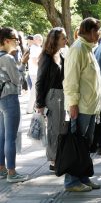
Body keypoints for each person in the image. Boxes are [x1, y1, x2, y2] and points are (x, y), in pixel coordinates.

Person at [63, 17, 101, 192]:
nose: (99, 34)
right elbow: (71, 80)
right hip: (81, 107)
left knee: (85, 145)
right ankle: (72, 181)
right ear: (92, 31)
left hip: (90, 106)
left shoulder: (88, 49)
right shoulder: (77, 49)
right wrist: (72, 104)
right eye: (98, 31)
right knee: (76, 144)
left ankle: (83, 177)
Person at [35, 27, 68, 171]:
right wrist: (40, 103)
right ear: (55, 40)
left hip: (62, 95)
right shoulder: (47, 57)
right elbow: (39, 81)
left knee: (62, 128)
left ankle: (59, 157)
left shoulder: (60, 54)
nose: (66, 40)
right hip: (53, 96)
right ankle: (54, 160)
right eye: (63, 38)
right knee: (54, 129)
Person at [0, 27, 29, 183]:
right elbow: (18, 80)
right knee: (10, 138)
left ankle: (2, 169)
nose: (18, 42)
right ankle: (12, 172)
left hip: (0, 98)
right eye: (15, 39)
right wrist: (23, 63)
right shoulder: (8, 58)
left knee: (2, 136)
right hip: (9, 98)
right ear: (6, 41)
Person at [26, 33, 43, 114]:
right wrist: (42, 68)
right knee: (34, 90)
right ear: (35, 40)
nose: (41, 40)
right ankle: (30, 108)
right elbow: (34, 60)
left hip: (36, 71)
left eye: (41, 39)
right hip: (35, 72)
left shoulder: (37, 47)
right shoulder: (34, 48)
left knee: (36, 90)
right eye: (39, 39)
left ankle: (33, 107)